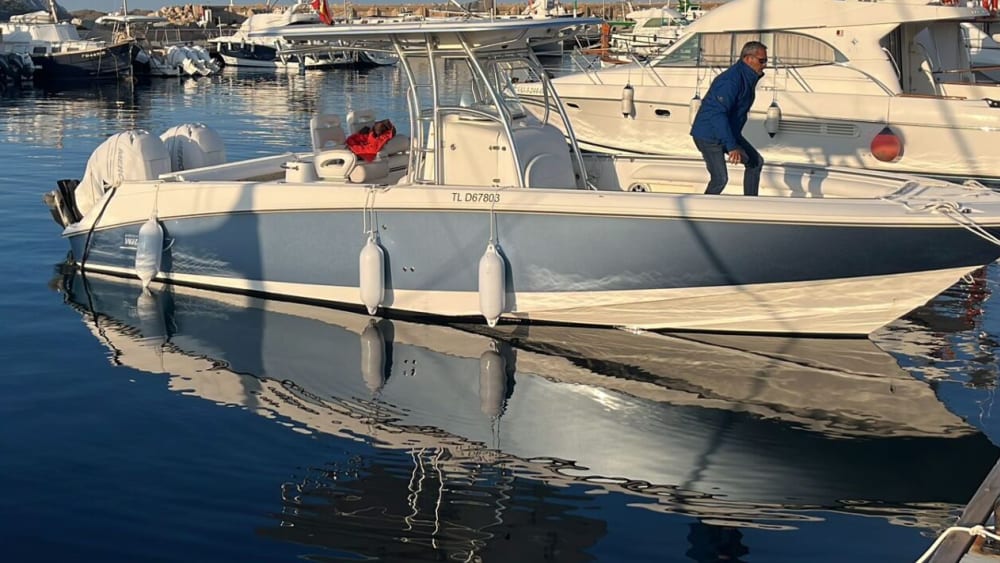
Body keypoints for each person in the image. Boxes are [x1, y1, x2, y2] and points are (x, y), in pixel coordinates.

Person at [689, 41, 768, 196]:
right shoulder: (731, 81)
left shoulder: (747, 77)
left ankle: (751, 203)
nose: (765, 65)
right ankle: (702, 207)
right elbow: (717, 115)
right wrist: (732, 146)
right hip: (709, 135)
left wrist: (732, 140)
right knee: (720, 179)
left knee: (755, 162)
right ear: (748, 59)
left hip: (727, 132)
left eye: (765, 61)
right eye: (762, 61)